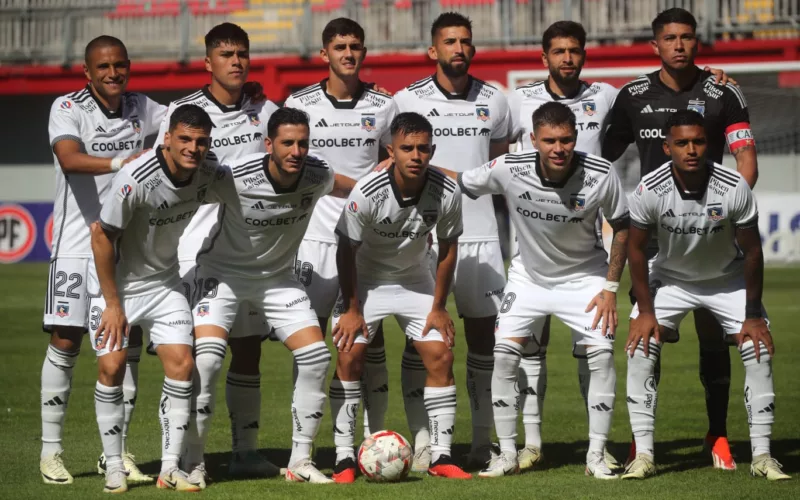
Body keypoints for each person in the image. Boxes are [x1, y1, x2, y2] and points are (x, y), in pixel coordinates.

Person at [602, 8, 759, 470]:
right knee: (648, 334)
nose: (679, 45)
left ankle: (718, 435)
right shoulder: (633, 95)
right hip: (653, 236)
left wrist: (732, 211)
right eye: (669, 38)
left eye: (687, 37)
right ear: (655, 45)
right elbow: (601, 158)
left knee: (714, 333)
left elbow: (745, 157)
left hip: (710, 232)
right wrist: (612, 213)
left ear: (697, 42)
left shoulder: (722, 90)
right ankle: (642, 444)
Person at [452, 102, 629, 479]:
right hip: (528, 279)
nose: (558, 148)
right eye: (549, 140)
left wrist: (611, 288)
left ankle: (596, 455)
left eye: (566, 139)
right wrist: (405, 169)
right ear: (533, 140)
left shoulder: (601, 173)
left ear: (576, 138)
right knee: (503, 356)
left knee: (600, 356)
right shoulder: (508, 169)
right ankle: (507, 453)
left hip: (585, 278)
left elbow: (623, 226)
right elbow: (461, 182)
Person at [190, 107, 355, 484]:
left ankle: (300, 461)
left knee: (315, 356)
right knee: (209, 361)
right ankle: (194, 460)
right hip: (222, 276)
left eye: (302, 143)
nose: (296, 151)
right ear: (269, 144)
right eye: (287, 143)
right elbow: (185, 187)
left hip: (278, 279)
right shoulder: (234, 177)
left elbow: (348, 187)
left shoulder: (317, 173)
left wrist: (385, 184)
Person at [623, 109, 788, 481]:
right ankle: (644, 455)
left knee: (756, 347)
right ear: (667, 147)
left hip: (725, 279)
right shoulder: (650, 189)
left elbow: (753, 252)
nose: (691, 149)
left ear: (708, 144)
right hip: (671, 279)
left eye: (698, 141)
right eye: (681, 143)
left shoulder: (733, 186)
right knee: (640, 345)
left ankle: (762, 456)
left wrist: (752, 315)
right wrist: (645, 311)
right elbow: (635, 250)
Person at [155, 22, 280, 485]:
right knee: (197, 358)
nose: (236, 61)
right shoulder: (184, 113)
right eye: (226, 54)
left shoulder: (265, 109)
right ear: (207, 61)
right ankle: (189, 456)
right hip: (193, 251)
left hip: (249, 252)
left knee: (248, 352)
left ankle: (245, 452)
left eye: (242, 53)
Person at [41, 35, 165, 485]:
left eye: (120, 65)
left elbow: (189, 116)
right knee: (67, 340)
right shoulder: (68, 106)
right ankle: (50, 452)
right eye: (104, 67)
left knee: (125, 347)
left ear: (129, 67)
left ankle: (117, 451)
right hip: (76, 244)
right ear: (87, 72)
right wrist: (122, 165)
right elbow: (70, 159)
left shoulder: (140, 105)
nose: (113, 74)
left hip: (124, 246)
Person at [392, 12, 510, 470]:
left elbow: (496, 161)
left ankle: (481, 442)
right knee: (419, 342)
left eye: (465, 41)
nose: (458, 48)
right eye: (449, 42)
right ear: (432, 50)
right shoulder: (406, 99)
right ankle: (424, 441)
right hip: (424, 240)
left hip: (482, 238)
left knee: (484, 343)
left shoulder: (495, 100)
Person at [331, 111, 471, 480]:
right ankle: (345, 458)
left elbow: (448, 248)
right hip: (366, 281)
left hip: (414, 280)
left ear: (432, 150)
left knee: (441, 353)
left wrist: (439, 306)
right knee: (349, 356)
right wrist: (351, 308)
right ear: (390, 151)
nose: (416, 156)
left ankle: (441, 457)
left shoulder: (447, 190)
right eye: (406, 148)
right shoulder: (367, 192)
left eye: (423, 148)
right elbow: (345, 249)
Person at [89, 104, 220, 493]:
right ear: (167, 138)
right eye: (184, 139)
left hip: (165, 285)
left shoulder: (210, 171)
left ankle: (169, 469)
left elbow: (250, 181)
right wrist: (113, 305)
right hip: (119, 286)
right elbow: (101, 235)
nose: (193, 148)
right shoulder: (135, 178)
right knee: (112, 368)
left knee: (182, 365)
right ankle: (114, 464)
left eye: (200, 141)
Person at [284, 18, 397, 465]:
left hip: (364, 237)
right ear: (324, 54)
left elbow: (395, 163)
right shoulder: (299, 103)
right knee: (309, 348)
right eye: (339, 46)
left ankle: (374, 442)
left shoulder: (384, 105)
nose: (348, 53)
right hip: (311, 238)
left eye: (355, 46)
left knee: (369, 343)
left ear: (363, 52)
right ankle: (305, 450)